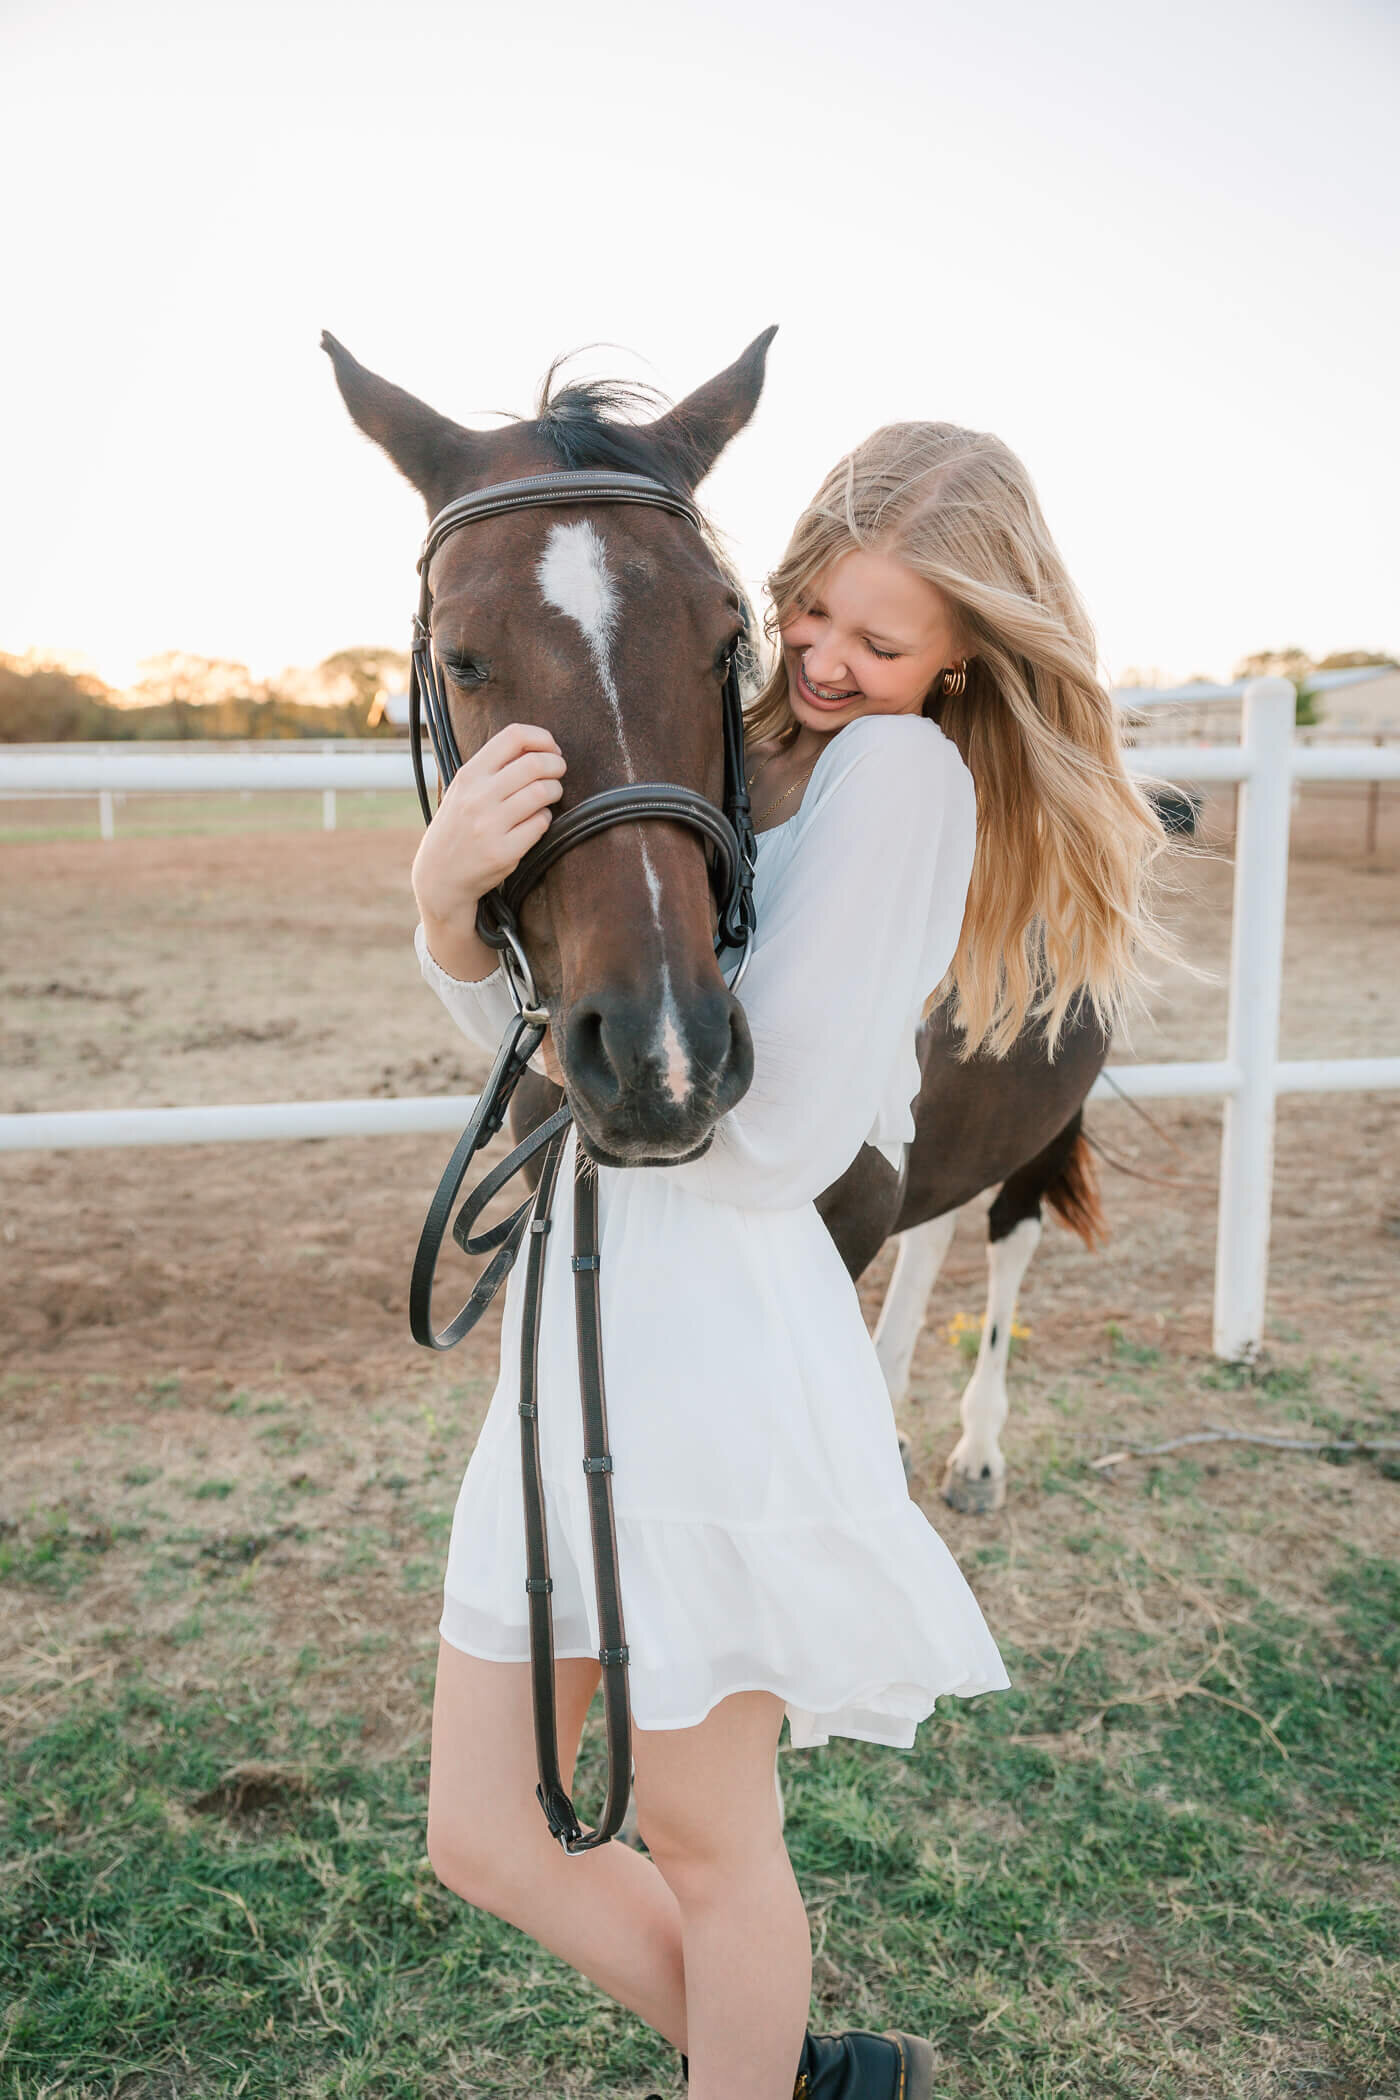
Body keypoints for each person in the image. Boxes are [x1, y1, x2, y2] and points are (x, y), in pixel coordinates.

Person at [410, 420, 1171, 2100]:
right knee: (484, 1830)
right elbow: (527, 1043)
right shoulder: (727, 741)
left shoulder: (900, 780)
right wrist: (452, 903)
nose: (827, 662)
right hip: (574, 1330)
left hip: (715, 1353)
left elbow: (754, 1137)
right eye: (811, 612)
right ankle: (807, 2078)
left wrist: (544, 1007)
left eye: (882, 643)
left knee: (704, 1837)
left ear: (969, 650)